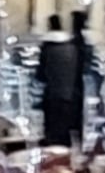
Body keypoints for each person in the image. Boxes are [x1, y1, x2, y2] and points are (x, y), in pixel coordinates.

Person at [35, 12, 91, 152]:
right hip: (72, 94)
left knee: (54, 129)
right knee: (67, 128)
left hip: (54, 94)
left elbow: (41, 74)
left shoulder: (48, 48)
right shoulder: (73, 47)